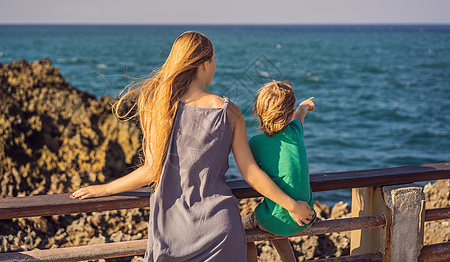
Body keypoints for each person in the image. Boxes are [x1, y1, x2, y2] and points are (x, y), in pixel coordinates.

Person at [70, 31, 314, 261]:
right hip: (221, 228)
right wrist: (292, 205)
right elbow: (251, 174)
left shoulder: (161, 109)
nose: (215, 67)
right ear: (204, 64)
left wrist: (105, 189)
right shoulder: (229, 113)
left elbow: (151, 170)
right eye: (215, 61)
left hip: (172, 234)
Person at [242, 80, 316, 262]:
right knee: (277, 219)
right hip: (306, 215)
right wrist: (305, 104)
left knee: (240, 231)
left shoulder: (255, 143)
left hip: (278, 219)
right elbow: (301, 113)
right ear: (289, 114)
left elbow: (255, 174)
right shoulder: (295, 131)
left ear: (258, 113)